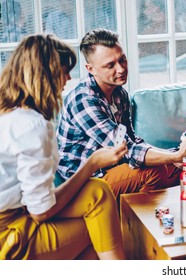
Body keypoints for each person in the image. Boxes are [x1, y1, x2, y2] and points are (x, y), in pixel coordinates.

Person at [0, 34, 127, 259]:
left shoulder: (8, 113)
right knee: (98, 223)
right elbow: (41, 212)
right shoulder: (31, 125)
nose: (68, 78)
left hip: (19, 213)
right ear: (45, 75)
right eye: (64, 70)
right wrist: (92, 164)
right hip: (10, 235)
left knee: (97, 191)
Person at [56, 28, 186, 202]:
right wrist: (175, 156)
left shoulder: (119, 94)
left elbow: (131, 139)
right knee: (154, 170)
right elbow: (128, 151)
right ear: (91, 69)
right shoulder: (84, 100)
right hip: (83, 182)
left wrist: (173, 155)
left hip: (112, 168)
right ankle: (134, 224)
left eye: (122, 60)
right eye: (110, 65)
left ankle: (147, 218)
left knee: (178, 167)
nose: (121, 69)